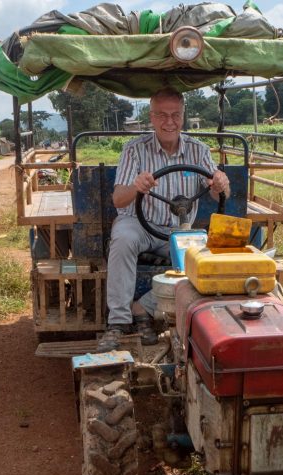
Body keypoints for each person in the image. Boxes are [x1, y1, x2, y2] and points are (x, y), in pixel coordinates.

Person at [97, 87, 230, 353]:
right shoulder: (134, 150)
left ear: (183, 116)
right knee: (122, 237)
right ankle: (119, 320)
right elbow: (118, 200)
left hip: (180, 231)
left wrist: (220, 184)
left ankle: (143, 306)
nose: (169, 122)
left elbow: (220, 195)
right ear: (151, 117)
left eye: (175, 115)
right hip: (140, 225)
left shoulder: (198, 149)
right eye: (162, 115)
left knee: (208, 260)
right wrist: (136, 187)